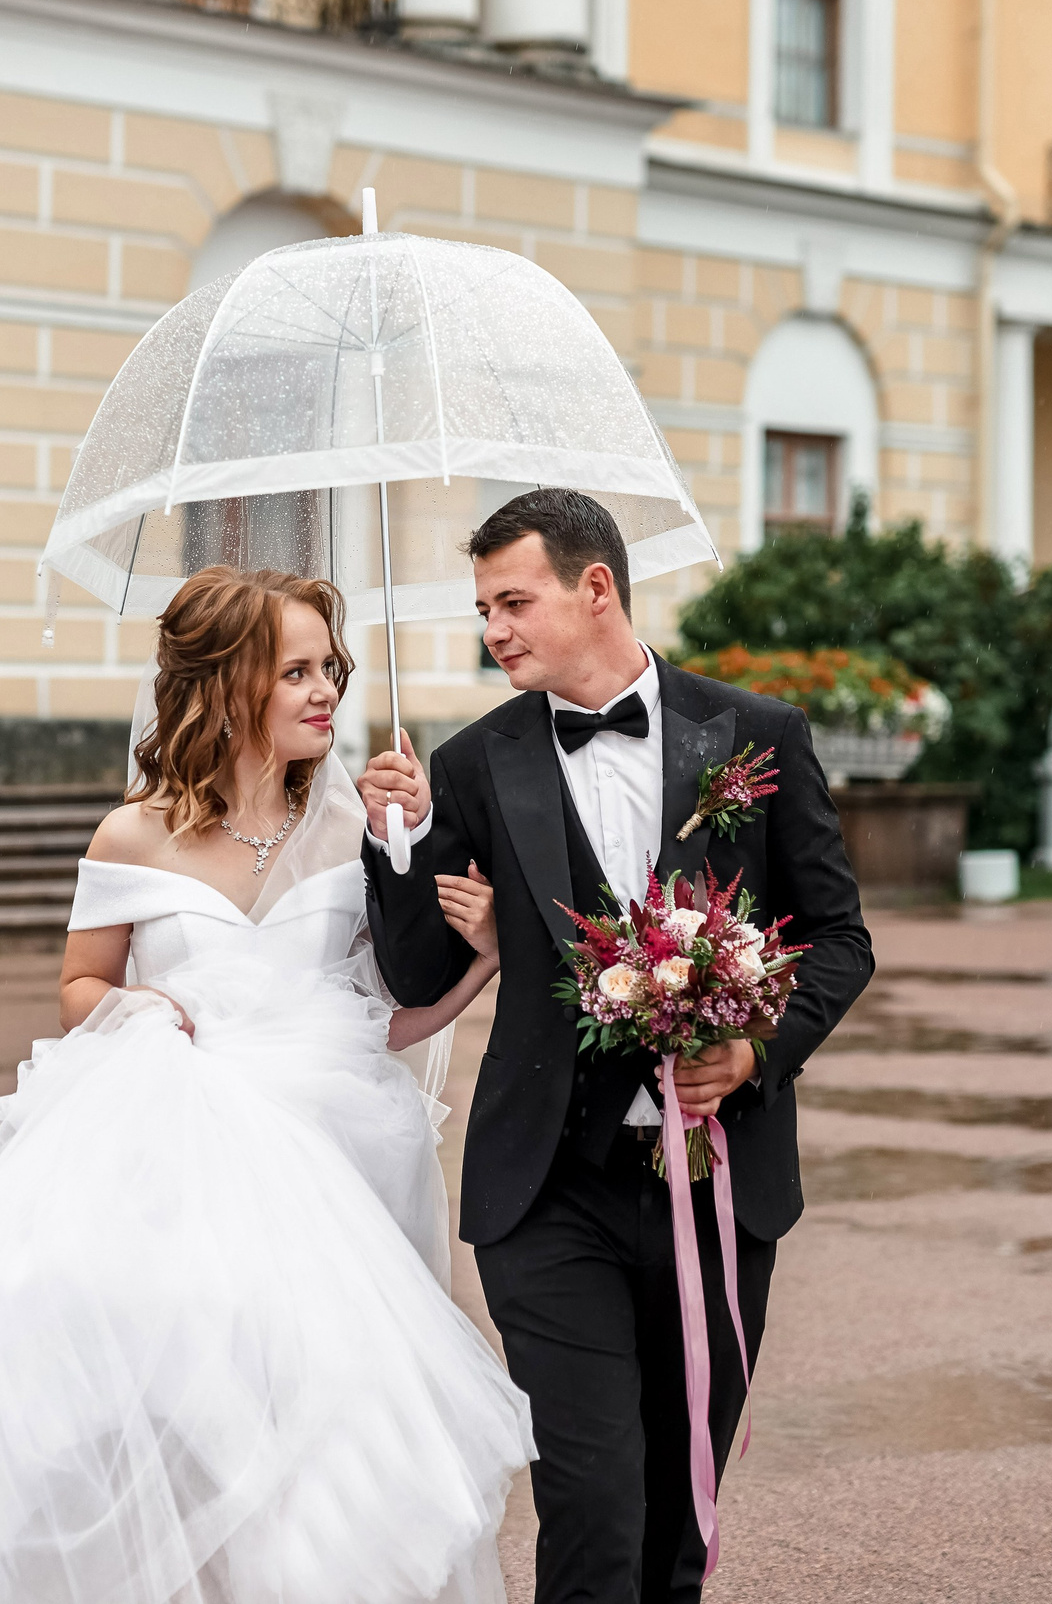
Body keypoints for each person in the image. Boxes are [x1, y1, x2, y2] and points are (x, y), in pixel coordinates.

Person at [0, 566, 532, 1604]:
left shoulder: (360, 824)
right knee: (175, 1404)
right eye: (298, 671)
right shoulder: (130, 833)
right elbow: (79, 982)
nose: (327, 691)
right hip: (177, 1157)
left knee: (322, 1425)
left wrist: (481, 955)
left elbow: (384, 1019)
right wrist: (134, 1009)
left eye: (333, 668)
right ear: (228, 686)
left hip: (338, 1159)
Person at [357, 489, 875, 1604]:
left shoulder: (756, 737)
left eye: (512, 601)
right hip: (550, 1188)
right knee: (591, 1503)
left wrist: (754, 1050)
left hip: (719, 1186)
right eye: (483, 607)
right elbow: (414, 974)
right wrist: (391, 843)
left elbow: (839, 937)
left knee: (678, 1510)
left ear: (596, 588)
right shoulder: (473, 763)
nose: (492, 629)